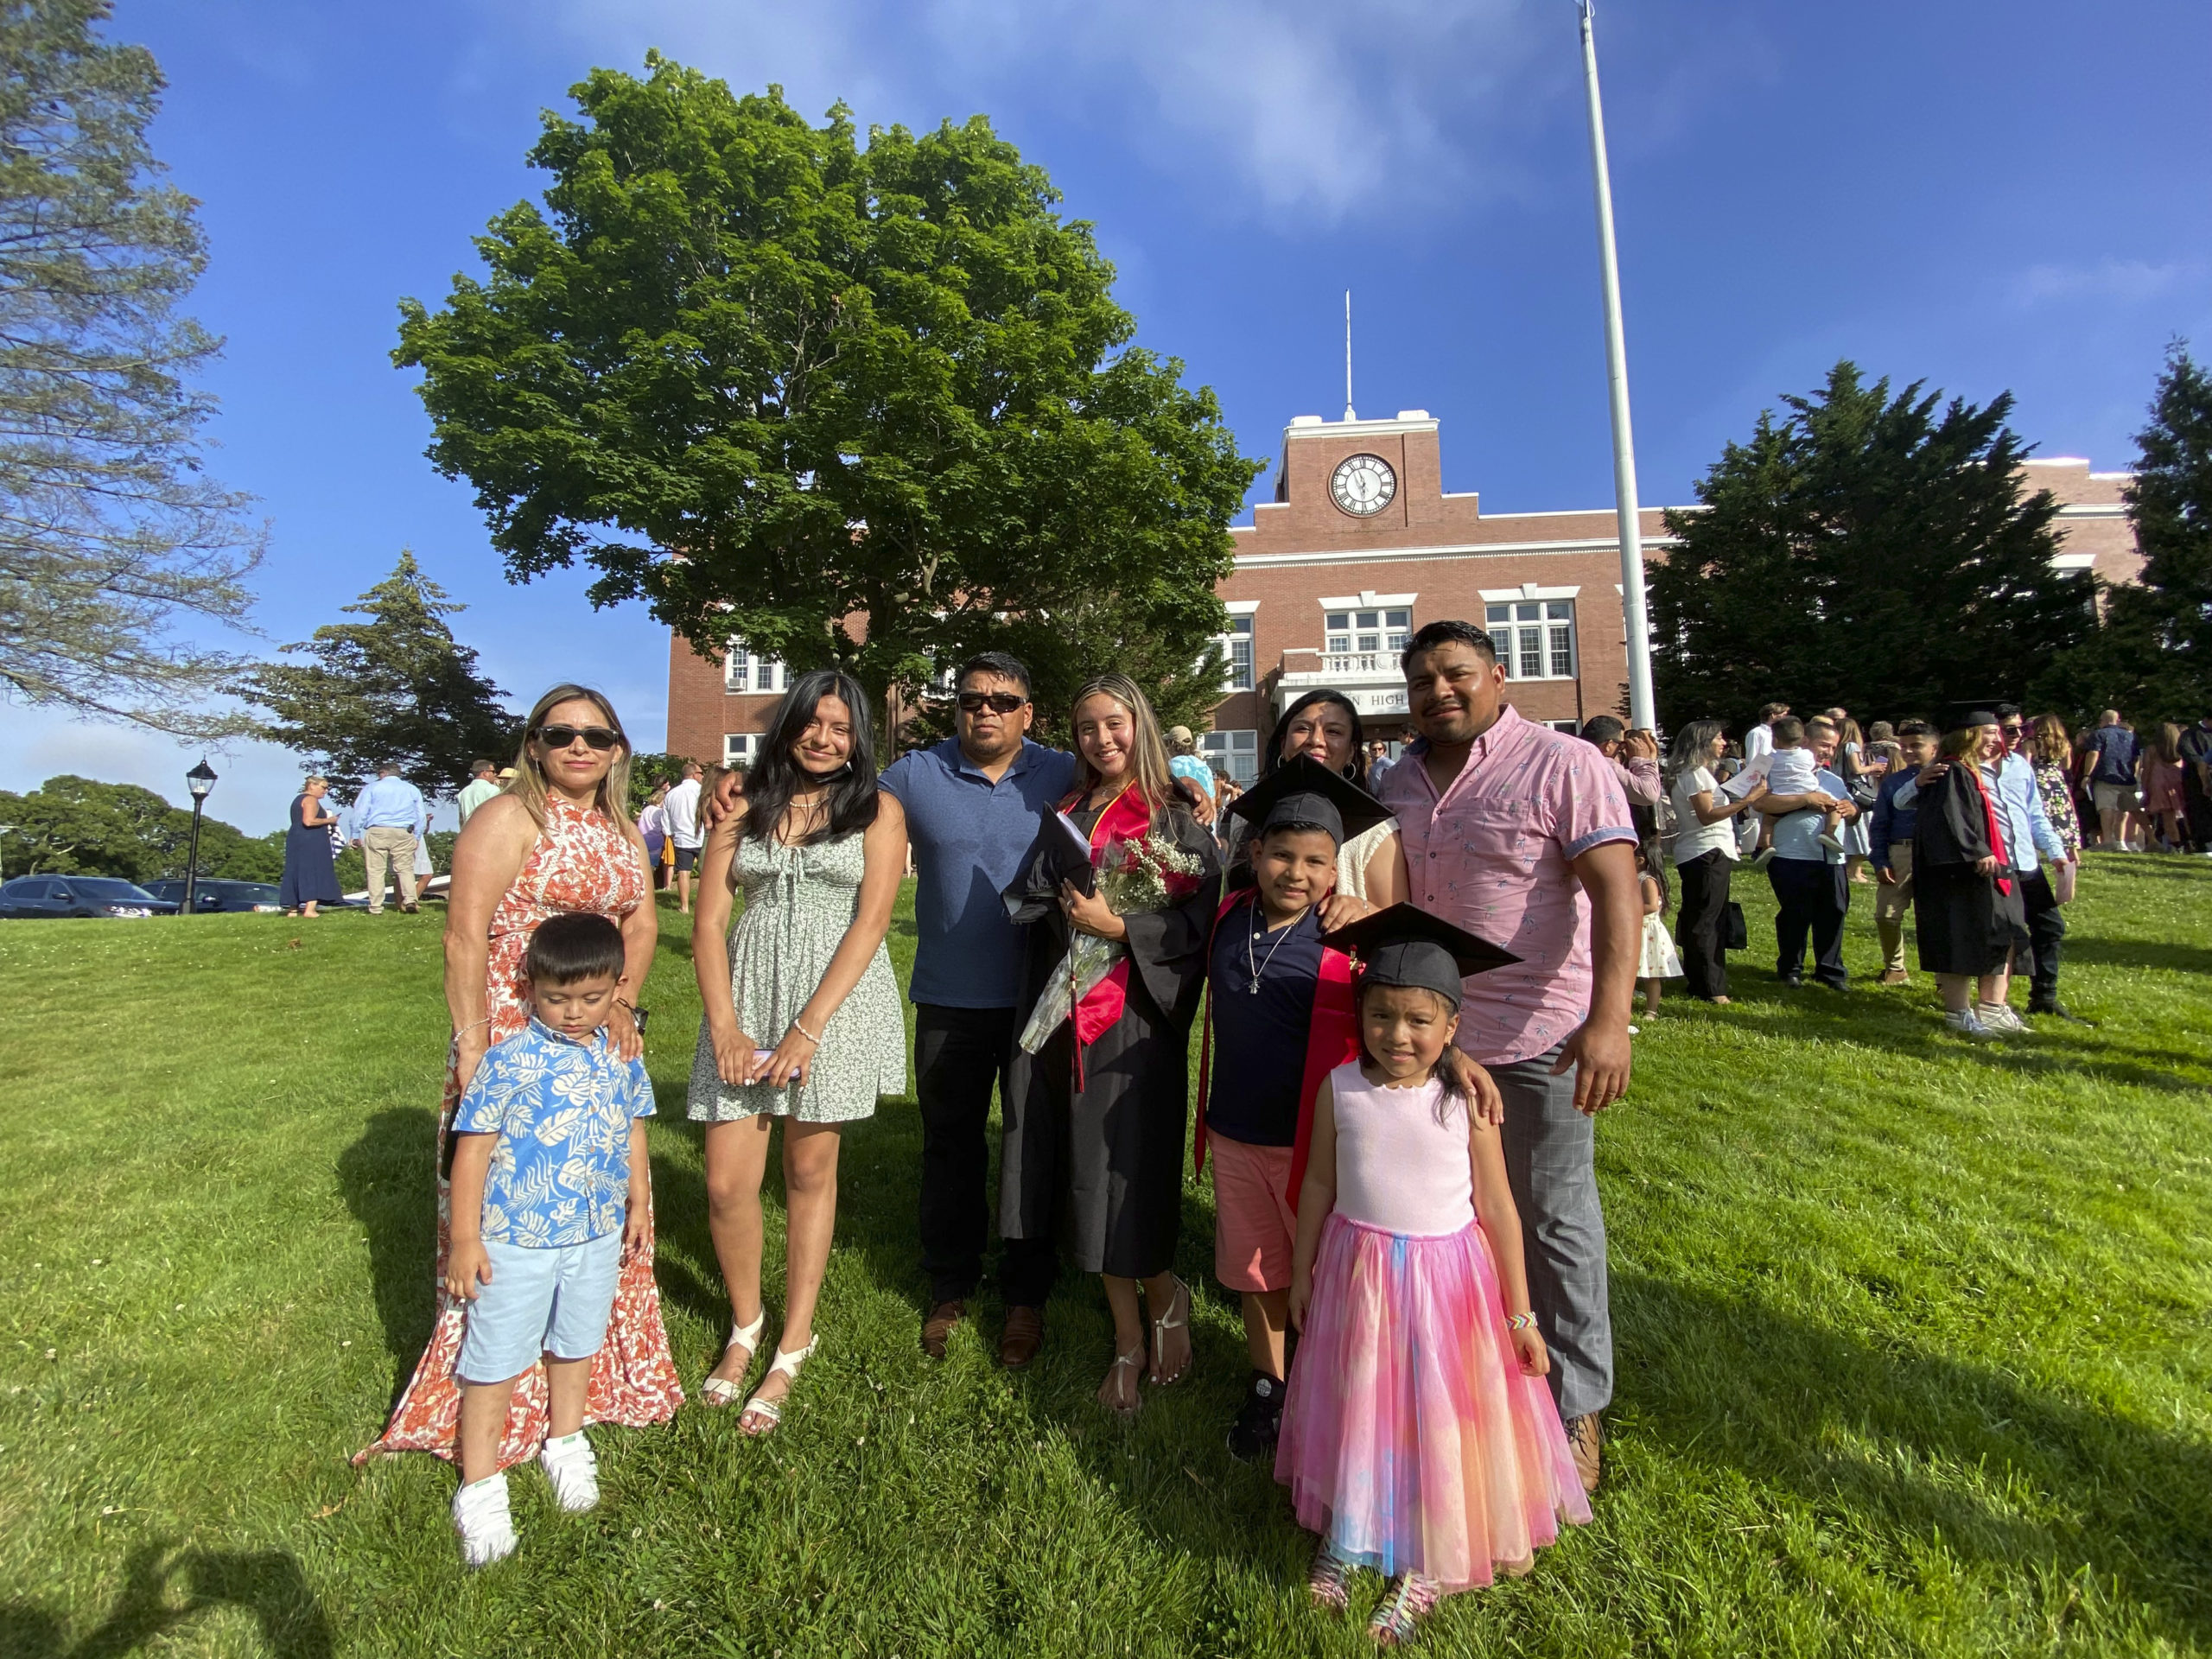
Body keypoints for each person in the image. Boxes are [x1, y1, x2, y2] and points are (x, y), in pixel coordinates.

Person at [360, 685, 678, 1470]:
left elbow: (641, 921)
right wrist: (473, 1044)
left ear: (617, 751)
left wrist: (624, 1008)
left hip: (598, 1037)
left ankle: (583, 1392)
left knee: (596, 1198)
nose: (580, 748)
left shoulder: (618, 830)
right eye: (561, 733)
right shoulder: (507, 819)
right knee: (508, 1218)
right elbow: (464, 935)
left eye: (597, 737)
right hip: (514, 1034)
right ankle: (493, 1392)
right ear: (533, 744)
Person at [1375, 620, 1638, 1495]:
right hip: (1433, 1040)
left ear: (1496, 675)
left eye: (1454, 676)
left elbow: (1616, 893)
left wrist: (1608, 1022)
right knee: (1453, 1219)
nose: (1438, 693)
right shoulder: (1397, 778)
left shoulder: (1565, 764)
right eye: (1421, 682)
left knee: (1553, 1218)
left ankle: (1575, 1406)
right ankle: (1477, 1381)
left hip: (1540, 1040)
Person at [1280, 905, 1589, 1642]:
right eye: (1382, 1016)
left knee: (1436, 1417)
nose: (1399, 1036)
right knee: (1361, 1406)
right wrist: (1302, 1270)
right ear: (1362, 1014)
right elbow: (1320, 1184)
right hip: (1359, 1277)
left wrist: (1520, 1315)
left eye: (1420, 1021)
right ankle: (1351, 1535)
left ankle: (1431, 1559)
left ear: (1452, 1028)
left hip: (1446, 1289)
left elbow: (1501, 1213)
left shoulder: (1467, 1103)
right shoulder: (1339, 1089)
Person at [688, 671, 905, 1434]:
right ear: (787, 727)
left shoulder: (878, 810)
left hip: (832, 1004)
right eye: (812, 724)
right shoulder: (740, 807)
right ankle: (744, 1323)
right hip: (744, 996)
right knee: (724, 1184)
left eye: (842, 728)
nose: (824, 739)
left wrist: (807, 1029)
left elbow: (872, 923)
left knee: (809, 1172)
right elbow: (709, 922)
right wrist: (725, 1027)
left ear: (859, 739)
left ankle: (793, 1338)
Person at [1000, 673, 1221, 1415]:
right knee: (1086, 1169)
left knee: (1130, 1166)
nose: (1102, 739)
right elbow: (1037, 890)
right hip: (1066, 1010)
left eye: (1115, 723)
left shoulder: (1172, 818)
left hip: (1133, 1020)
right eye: (1087, 727)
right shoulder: (1065, 809)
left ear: (1142, 724)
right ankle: (1127, 1336)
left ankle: (1168, 1299)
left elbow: (1199, 924)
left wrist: (1122, 928)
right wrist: (1045, 900)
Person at [875, 652, 1080, 1366]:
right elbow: (826, 804)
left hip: (1036, 998)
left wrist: (1183, 787)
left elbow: (1130, 791)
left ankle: (1026, 1293)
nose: (985, 710)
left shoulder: (1060, 771)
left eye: (1003, 699)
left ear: (1029, 712)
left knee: (1033, 1145)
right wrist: (741, 798)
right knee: (950, 1144)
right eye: (971, 699)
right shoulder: (913, 775)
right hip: (947, 998)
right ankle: (950, 1285)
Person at [1196, 763, 1403, 1462]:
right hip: (1235, 1130)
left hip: (1316, 1145)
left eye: (1317, 861)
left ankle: (1333, 1389)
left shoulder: (1346, 939)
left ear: (1335, 866)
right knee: (1257, 1271)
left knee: (1321, 1273)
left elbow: (1407, 1019)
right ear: (1254, 853)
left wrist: (1369, 918)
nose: (1297, 872)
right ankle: (1268, 1383)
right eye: (1282, 854)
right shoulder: (1228, 918)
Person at [442, 912, 656, 1567]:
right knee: (496, 1358)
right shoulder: (508, 1061)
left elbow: (634, 1129)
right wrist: (465, 1240)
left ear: (616, 987)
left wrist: (641, 1202)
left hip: (593, 1234)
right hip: (517, 1242)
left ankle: (565, 1442)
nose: (572, 1012)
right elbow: (472, 1152)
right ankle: (479, 1486)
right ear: (529, 986)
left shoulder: (621, 1055)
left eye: (590, 999)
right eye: (555, 998)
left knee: (577, 1342)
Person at [1223, 689, 1409, 914]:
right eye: (1303, 728)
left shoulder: (1375, 833)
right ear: (1283, 744)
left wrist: (1363, 909)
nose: (1315, 740)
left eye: (1333, 731)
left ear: (1352, 751)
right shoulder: (1245, 821)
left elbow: (1396, 926)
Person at [1909, 711, 2029, 1041]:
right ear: (1968, 735)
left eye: (1997, 733)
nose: (1996, 738)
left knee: (2000, 933)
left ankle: (1991, 1008)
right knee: (1957, 939)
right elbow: (1949, 819)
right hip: (1956, 874)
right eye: (1988, 732)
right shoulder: (1949, 772)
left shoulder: (1976, 771)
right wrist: (1976, 850)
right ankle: (1958, 1014)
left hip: (1987, 870)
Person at [1664, 721, 1767, 1004]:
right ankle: (1711, 987)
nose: (1723, 743)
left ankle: (1702, 981)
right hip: (1706, 852)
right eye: (1718, 738)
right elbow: (1707, 814)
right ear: (1702, 742)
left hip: (1701, 852)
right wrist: (1749, 799)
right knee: (1707, 921)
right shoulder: (1695, 773)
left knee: (1705, 917)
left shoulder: (1692, 773)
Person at [1756, 716, 1857, 990]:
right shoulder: (1774, 770)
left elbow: (1851, 810)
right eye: (1824, 744)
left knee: (1833, 912)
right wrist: (1805, 800)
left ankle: (1830, 970)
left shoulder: (1833, 780)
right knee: (1795, 913)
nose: (1829, 751)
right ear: (1804, 742)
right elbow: (1759, 802)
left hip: (1831, 857)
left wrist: (1852, 810)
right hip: (1792, 853)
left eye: (1834, 747)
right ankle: (1791, 969)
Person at [2025, 714, 2089, 1020]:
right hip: (2054, 789)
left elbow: (2037, 816)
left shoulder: (2027, 757)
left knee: (2049, 925)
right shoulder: (2060, 744)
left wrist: (2053, 850)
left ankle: (2043, 997)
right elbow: (2066, 766)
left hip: (2041, 795)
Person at [1868, 720, 1937, 985]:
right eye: (1904, 746)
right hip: (1901, 851)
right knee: (1886, 914)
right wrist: (1880, 860)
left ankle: (1945, 977)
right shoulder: (1893, 782)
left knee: (1936, 917)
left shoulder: (1948, 776)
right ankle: (1895, 968)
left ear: (1934, 747)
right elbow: (1880, 824)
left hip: (1936, 854)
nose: (1908, 751)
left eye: (1916, 746)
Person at [351, 763, 427, 915]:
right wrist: (417, 835)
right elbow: (421, 815)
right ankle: (410, 900)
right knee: (405, 868)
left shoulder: (372, 788)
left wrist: (355, 833)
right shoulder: (412, 789)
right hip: (404, 832)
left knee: (376, 870)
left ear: (383, 773)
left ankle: (376, 907)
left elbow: (361, 811)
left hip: (378, 830)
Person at [1578, 715, 1662, 840]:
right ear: (1609, 745)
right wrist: (1641, 761)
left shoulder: (1575, 757)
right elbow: (1649, 794)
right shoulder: (1601, 762)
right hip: (1600, 838)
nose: (1622, 749)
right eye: (1621, 745)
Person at [279, 776, 343, 918]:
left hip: (296, 838)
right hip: (311, 839)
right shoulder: (310, 799)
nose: (326, 791)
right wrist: (329, 820)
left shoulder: (297, 799)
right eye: (323, 787)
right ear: (312, 785)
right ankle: (310, 909)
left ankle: (293, 908)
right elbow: (308, 821)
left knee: (295, 870)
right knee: (313, 870)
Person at [1634, 838, 1681, 1018]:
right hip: (1637, 929)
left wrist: (1629, 911)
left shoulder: (1646, 880)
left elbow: (1652, 906)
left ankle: (1651, 1010)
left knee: (1651, 974)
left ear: (1641, 860)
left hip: (1648, 932)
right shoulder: (1635, 878)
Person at [2082, 710, 2140, 851]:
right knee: (2123, 810)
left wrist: (2087, 775)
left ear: (2102, 720)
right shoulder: (2131, 736)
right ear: (2117, 720)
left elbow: (2093, 754)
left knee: (2106, 808)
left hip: (2105, 775)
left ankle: (2107, 841)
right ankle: (2120, 841)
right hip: (2127, 777)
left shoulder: (2099, 734)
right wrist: (2135, 774)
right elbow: (2136, 758)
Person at [663, 761, 704, 912]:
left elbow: (665, 820)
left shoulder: (671, 794)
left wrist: (671, 835)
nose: (702, 776)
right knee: (707, 872)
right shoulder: (702, 791)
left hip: (681, 838)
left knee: (684, 872)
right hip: (701, 836)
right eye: (701, 773)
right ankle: (707, 905)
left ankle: (684, 906)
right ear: (694, 775)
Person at [2143, 722, 2189, 851]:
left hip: (2159, 783)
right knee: (2187, 814)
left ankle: (2176, 844)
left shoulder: (2152, 749)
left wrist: (2145, 787)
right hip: (2178, 781)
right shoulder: (2180, 749)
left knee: (2168, 817)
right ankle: (2191, 841)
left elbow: (2147, 769)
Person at [1166, 725, 1217, 823]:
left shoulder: (1169, 765)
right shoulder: (1204, 767)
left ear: (1171, 744)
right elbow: (1213, 804)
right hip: (1204, 826)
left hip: (1181, 825)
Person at [2179, 715, 2212, 856]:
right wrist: (2202, 766)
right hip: (2194, 780)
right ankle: (2203, 845)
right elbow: (2188, 753)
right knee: (2198, 811)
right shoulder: (2190, 734)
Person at [636, 784, 669, 887]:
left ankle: (642, 884)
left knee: (643, 864)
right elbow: (663, 826)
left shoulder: (646, 809)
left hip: (643, 839)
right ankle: (649, 885)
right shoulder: (659, 812)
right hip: (655, 840)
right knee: (652, 865)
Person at [456, 760, 501, 827]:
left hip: (469, 832)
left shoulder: (463, 792)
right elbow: (497, 814)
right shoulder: (492, 789)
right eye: (493, 772)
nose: (495, 774)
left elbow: (461, 819)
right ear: (485, 773)